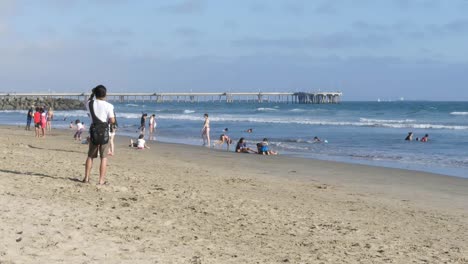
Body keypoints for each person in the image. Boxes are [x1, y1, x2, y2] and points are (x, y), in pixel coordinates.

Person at [82, 85, 115, 185]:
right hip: (105, 133)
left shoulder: (89, 103)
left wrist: (92, 94)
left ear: (95, 93)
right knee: (103, 157)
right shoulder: (109, 106)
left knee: (90, 156)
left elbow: (88, 100)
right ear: (105, 94)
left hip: (93, 133)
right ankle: (101, 180)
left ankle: (86, 178)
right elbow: (112, 120)